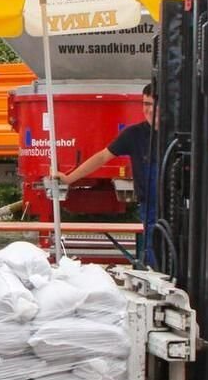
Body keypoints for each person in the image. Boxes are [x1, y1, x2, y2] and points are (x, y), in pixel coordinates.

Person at [55, 84, 156, 264]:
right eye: (145, 104)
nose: (148, 110)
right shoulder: (134, 134)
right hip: (149, 208)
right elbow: (101, 157)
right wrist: (69, 178)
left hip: (179, 208)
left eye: (153, 104)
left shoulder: (180, 134)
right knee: (153, 255)